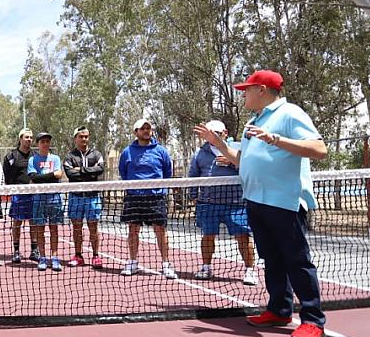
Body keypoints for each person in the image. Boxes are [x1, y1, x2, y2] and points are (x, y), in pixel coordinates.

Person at [195, 70, 328, 337]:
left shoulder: (290, 113)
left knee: (297, 261)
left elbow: (319, 149)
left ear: (262, 90)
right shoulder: (252, 122)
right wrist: (218, 143)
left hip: (285, 202)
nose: (243, 93)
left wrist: (276, 140)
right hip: (256, 202)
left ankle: (313, 320)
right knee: (272, 259)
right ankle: (279, 310)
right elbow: (241, 160)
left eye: (247, 89)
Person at [188, 119, 257, 286]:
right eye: (210, 133)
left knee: (243, 236)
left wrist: (233, 162)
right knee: (208, 236)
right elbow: (193, 175)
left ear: (225, 133)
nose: (213, 136)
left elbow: (251, 169)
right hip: (208, 203)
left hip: (236, 203)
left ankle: (249, 270)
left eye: (217, 133)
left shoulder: (238, 148)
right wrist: (192, 195)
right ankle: (206, 267)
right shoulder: (200, 153)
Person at [119, 119, 176, 279]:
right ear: (135, 132)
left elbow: (167, 173)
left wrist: (159, 189)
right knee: (133, 230)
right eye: (142, 128)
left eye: (148, 128)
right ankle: (132, 262)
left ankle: (166, 264)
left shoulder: (161, 151)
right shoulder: (127, 152)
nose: (146, 131)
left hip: (156, 197)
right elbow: (124, 173)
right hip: (134, 198)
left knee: (160, 230)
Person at [63, 126, 105, 269]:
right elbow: (70, 174)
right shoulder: (69, 156)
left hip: (93, 196)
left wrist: (80, 170)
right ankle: (78, 255)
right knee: (77, 227)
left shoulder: (96, 154)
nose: (84, 139)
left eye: (86, 136)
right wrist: (89, 172)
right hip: (75, 197)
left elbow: (99, 169)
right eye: (81, 136)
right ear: (75, 138)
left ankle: (95, 256)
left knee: (93, 227)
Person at [28, 133, 64, 272]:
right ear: (38, 144)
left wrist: (41, 177)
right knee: (40, 229)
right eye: (43, 141)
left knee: (54, 229)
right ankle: (42, 258)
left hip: (54, 198)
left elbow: (59, 175)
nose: (45, 144)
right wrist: (51, 175)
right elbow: (34, 178)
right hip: (39, 199)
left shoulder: (55, 158)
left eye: (48, 141)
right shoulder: (33, 160)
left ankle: (54, 258)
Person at [2, 128, 39, 264]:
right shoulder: (11, 156)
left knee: (33, 222)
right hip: (18, 195)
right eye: (26, 137)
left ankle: (34, 250)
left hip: (33, 194)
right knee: (17, 223)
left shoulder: (36, 155)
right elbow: (7, 175)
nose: (29, 140)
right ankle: (16, 251)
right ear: (20, 139)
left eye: (30, 137)